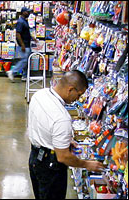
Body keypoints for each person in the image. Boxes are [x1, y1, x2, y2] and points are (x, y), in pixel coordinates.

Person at [27, 70, 105, 199]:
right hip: (50, 166)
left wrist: (63, 141)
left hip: (35, 158)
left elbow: (41, 124)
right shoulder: (62, 118)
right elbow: (63, 157)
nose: (78, 99)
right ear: (71, 89)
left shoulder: (40, 94)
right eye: (79, 95)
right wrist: (87, 164)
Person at [6, 7, 38, 82]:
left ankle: (24, 76)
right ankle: (12, 72)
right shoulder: (20, 22)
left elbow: (25, 32)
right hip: (24, 45)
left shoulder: (24, 21)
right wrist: (22, 44)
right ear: (23, 12)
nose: (29, 13)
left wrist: (33, 38)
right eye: (27, 12)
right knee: (24, 60)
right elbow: (18, 34)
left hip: (26, 43)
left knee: (26, 61)